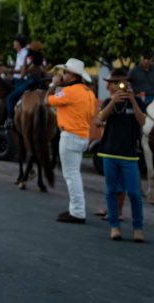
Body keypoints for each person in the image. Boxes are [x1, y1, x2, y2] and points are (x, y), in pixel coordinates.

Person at [93, 68, 146, 241]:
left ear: (128, 84)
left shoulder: (136, 100)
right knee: (111, 191)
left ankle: (138, 228)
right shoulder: (109, 101)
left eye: (121, 82)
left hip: (129, 156)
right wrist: (112, 102)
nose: (117, 86)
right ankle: (114, 226)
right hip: (109, 153)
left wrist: (133, 101)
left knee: (135, 193)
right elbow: (99, 120)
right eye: (114, 83)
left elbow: (142, 121)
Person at [45, 58, 97, 224]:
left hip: (70, 136)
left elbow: (48, 100)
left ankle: (77, 211)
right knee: (74, 173)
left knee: (71, 175)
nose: (62, 75)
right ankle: (77, 209)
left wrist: (53, 84)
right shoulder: (89, 92)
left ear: (73, 75)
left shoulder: (70, 91)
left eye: (65, 72)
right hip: (82, 135)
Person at [5, 40, 47, 127]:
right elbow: (44, 73)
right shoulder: (43, 60)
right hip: (41, 82)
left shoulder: (28, 59)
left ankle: (9, 119)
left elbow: (23, 74)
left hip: (30, 82)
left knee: (10, 98)